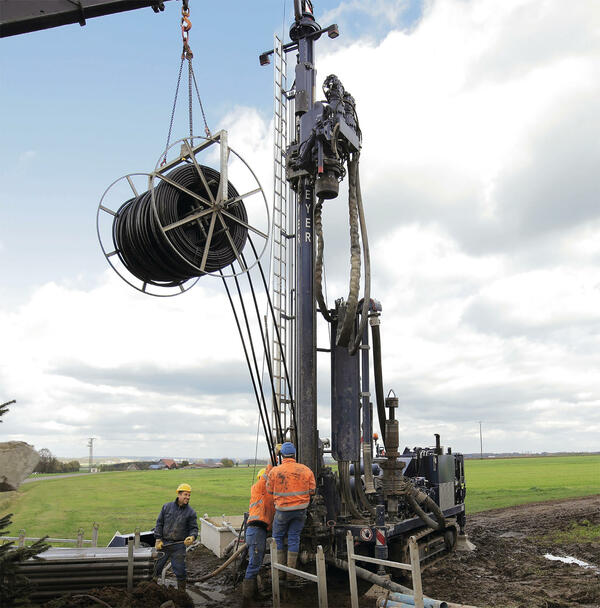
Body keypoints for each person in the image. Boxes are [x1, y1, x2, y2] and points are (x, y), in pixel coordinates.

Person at [266, 442, 316, 578]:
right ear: (295, 454)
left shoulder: (275, 471)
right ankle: (291, 573)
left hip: (282, 511)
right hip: (300, 511)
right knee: (294, 538)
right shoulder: (306, 470)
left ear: (282, 455)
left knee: (278, 538)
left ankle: (280, 571)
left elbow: (269, 490)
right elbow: (312, 490)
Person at [154, 482, 198, 592]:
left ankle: (181, 593)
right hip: (164, 544)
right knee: (155, 568)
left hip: (178, 546)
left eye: (189, 495)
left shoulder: (191, 512)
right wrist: (158, 539)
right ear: (179, 494)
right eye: (185, 495)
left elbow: (194, 529)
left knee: (180, 571)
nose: (187, 497)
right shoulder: (166, 507)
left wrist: (192, 537)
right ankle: (152, 589)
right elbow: (159, 523)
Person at [242, 465, 275, 603]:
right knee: (255, 563)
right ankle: (247, 599)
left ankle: (253, 594)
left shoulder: (270, 496)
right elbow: (267, 475)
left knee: (257, 562)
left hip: (260, 531)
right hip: (255, 530)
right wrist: (274, 460)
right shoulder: (258, 489)